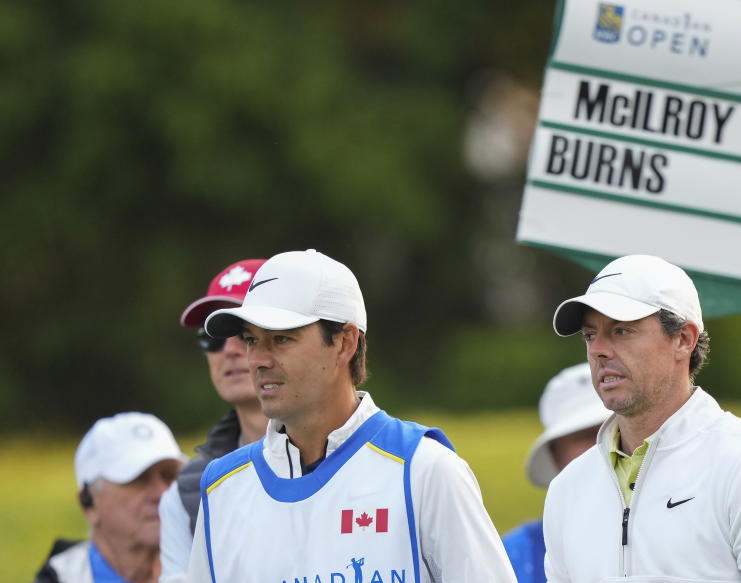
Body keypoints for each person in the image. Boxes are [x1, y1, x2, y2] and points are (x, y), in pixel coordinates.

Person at [185, 248, 517, 583]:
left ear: (345, 343)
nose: (256, 359)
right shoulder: (222, 487)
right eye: (251, 339)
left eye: (281, 339)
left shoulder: (425, 469)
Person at [542, 255, 741, 582]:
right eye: (590, 335)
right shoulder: (568, 488)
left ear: (683, 339)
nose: (598, 350)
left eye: (621, 331)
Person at [158, 258, 269, 582]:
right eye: (213, 334)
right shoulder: (188, 488)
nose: (229, 350)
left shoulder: (384, 459)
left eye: (244, 332)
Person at [33, 412, 185, 583]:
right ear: (89, 504)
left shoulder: (212, 567)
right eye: (139, 479)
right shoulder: (60, 577)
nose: (162, 494)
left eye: (170, 476)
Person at [501, 363, 611, 583]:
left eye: (616, 429)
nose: (606, 443)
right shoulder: (518, 554)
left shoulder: (675, 520)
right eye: (587, 435)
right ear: (554, 453)